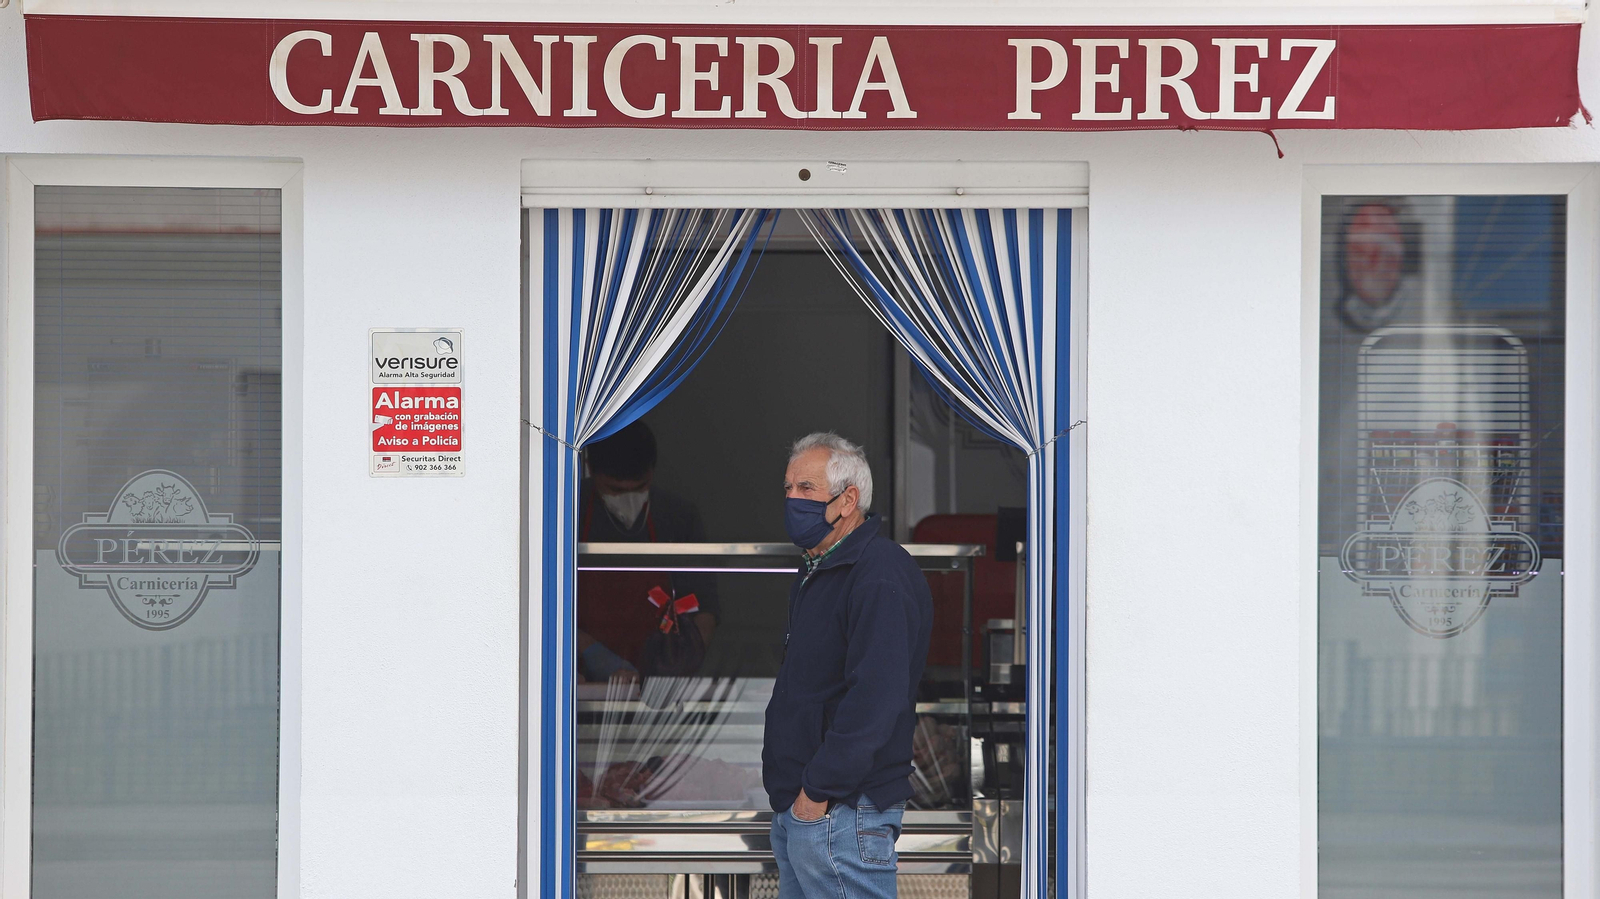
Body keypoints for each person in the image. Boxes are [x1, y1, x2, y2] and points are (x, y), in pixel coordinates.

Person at [763, 432, 934, 899]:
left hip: (842, 813)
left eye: (806, 489)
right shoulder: (818, 567)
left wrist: (816, 795)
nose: (791, 499)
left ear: (847, 500)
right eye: (788, 488)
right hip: (809, 810)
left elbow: (875, 699)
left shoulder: (879, 573)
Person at [576, 420, 718, 682]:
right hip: (583, 683)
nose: (628, 498)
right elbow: (545, 608)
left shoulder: (677, 517)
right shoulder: (570, 511)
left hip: (658, 680)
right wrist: (591, 655)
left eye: (639, 487)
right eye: (615, 490)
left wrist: (680, 664)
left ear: (652, 473)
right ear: (590, 471)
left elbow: (703, 606)